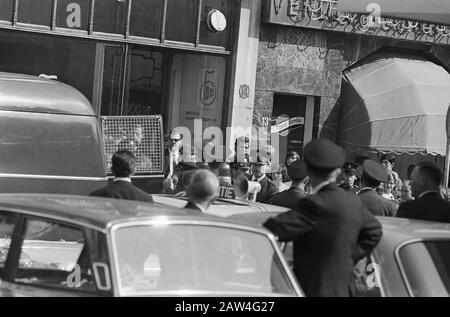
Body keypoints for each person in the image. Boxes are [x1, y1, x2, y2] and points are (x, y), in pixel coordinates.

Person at [263, 138, 382, 297]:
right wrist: (348, 257)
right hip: (343, 290)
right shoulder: (352, 200)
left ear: (309, 173)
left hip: (313, 289)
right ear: (337, 172)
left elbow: (278, 228)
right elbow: (374, 231)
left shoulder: (313, 204)